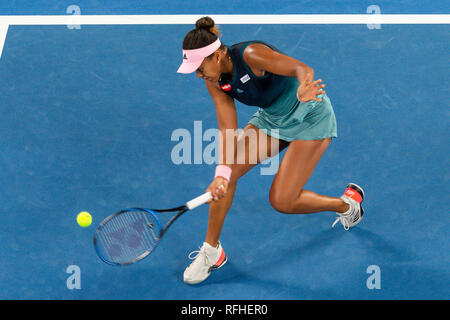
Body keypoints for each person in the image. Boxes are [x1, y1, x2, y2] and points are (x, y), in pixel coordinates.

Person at [176, 16, 365, 285]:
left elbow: (304, 69)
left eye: (199, 66)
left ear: (217, 56)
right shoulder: (213, 79)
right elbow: (227, 128)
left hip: (310, 115)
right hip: (273, 120)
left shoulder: (252, 55)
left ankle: (347, 205)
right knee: (227, 176)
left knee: (282, 201)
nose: (197, 74)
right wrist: (221, 173)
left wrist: (302, 89)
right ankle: (211, 251)